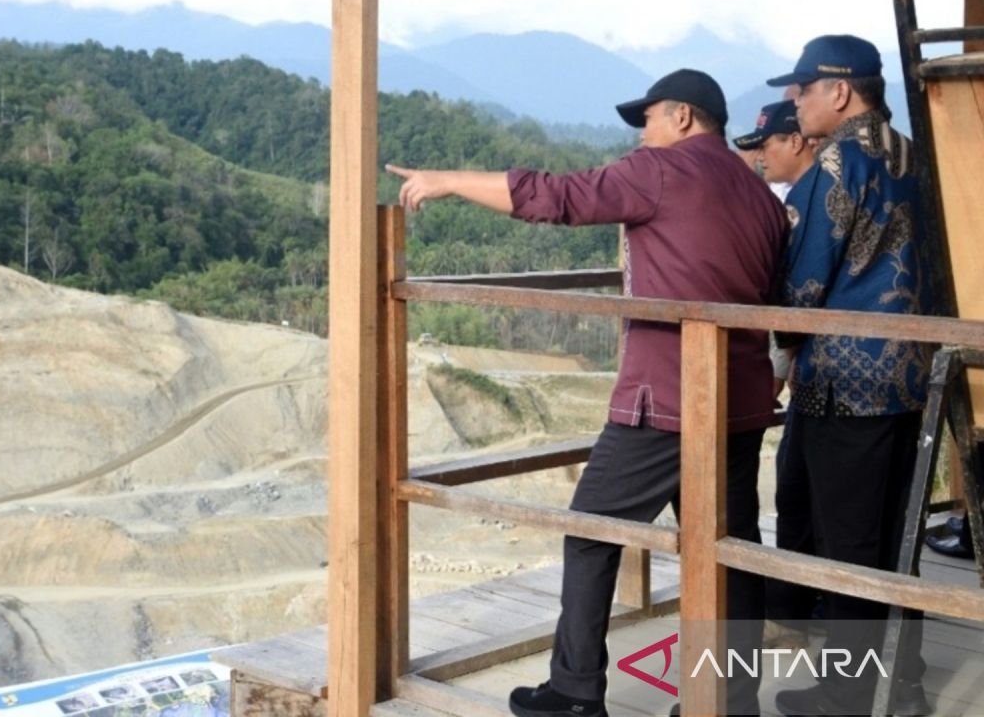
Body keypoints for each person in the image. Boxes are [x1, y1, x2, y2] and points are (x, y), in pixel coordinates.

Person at [389, 68, 788, 717]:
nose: (643, 133)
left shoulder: (660, 170)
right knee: (726, 548)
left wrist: (450, 181)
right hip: (738, 398)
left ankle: (576, 692)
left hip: (666, 397)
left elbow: (557, 197)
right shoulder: (760, 194)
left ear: (683, 118)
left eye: (650, 119)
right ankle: (729, 698)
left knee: (590, 532)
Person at [766, 35, 936, 717]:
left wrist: (774, 345)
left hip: (846, 384)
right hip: (910, 377)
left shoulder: (837, 164)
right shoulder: (910, 152)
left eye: (802, 88)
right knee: (895, 541)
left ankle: (847, 693)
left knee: (847, 546)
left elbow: (802, 285)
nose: (794, 100)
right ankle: (906, 686)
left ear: (840, 91)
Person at [733, 101, 820, 646]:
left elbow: (793, 302)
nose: (759, 156)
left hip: (822, 373)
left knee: (804, 496)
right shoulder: (791, 204)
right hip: (812, 372)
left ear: (797, 142)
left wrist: (777, 372)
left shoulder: (802, 207)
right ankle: (788, 613)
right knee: (795, 493)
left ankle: (792, 618)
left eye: (765, 145)